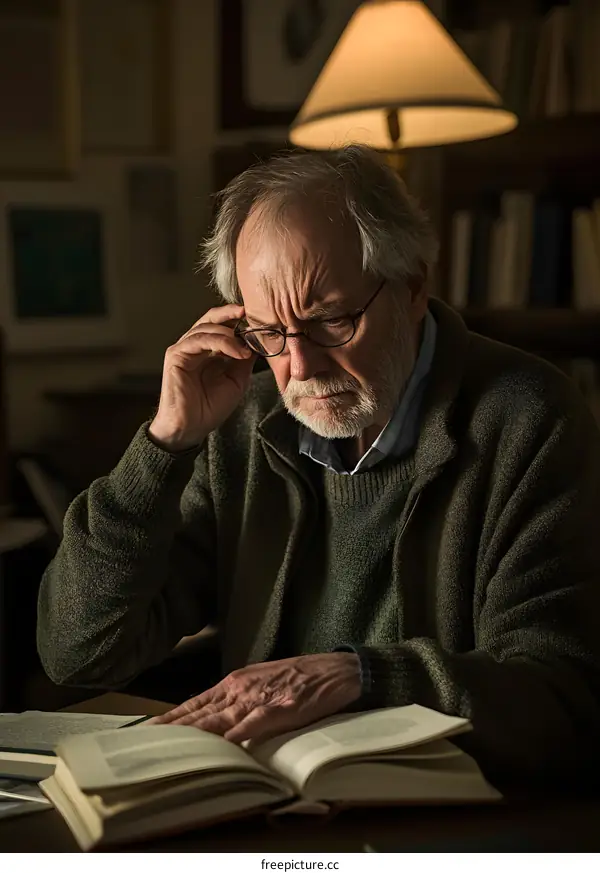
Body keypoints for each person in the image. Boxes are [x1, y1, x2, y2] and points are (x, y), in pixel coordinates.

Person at [38, 146, 600, 787]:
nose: (300, 367)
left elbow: (567, 697)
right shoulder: (241, 424)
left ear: (413, 285)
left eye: (331, 320)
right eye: (268, 333)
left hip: (444, 810)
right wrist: (165, 445)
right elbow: (77, 650)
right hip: (266, 800)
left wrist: (360, 675)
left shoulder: (529, 419)